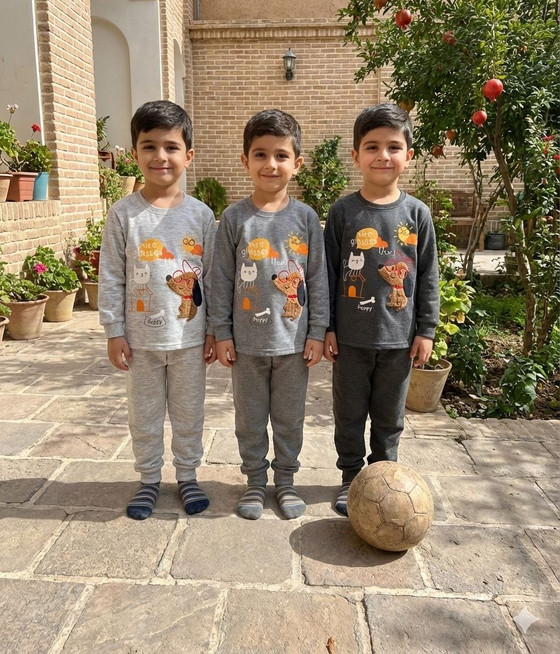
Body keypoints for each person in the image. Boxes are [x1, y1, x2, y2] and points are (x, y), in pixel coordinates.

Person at [99, 100, 216, 520]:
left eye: (171, 147)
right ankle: (148, 479)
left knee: (189, 414)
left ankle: (187, 476)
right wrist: (114, 330)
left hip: (190, 341)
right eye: (149, 146)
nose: (160, 156)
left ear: (189, 155)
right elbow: (111, 275)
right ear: (134, 153)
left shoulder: (201, 215)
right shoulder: (123, 215)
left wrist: (215, 331)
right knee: (144, 415)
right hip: (140, 343)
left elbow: (213, 278)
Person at [211, 109, 329, 520]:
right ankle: (255, 482)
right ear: (245, 161)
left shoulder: (306, 218)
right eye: (260, 154)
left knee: (289, 418)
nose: (271, 164)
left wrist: (317, 331)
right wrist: (221, 332)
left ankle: (286, 481)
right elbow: (221, 279)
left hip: (294, 345)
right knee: (249, 418)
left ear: (297, 163)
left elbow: (317, 278)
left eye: (281, 155)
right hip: (247, 346)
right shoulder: (234, 219)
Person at [323, 103, 439, 516]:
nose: (383, 156)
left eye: (393, 147)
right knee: (349, 414)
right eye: (372, 147)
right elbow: (327, 275)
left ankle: (384, 474)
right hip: (351, 341)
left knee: (390, 417)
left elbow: (427, 274)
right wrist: (327, 327)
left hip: (399, 341)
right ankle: (351, 477)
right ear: (356, 155)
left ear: (409, 154)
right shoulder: (343, 213)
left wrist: (426, 329)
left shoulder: (417, 214)